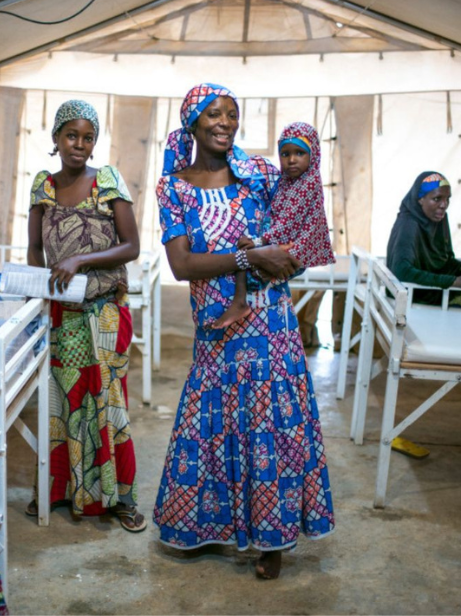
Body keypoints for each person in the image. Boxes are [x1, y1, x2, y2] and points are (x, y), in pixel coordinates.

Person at [152, 83, 335, 580]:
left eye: (232, 114)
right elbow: (182, 264)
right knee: (210, 419)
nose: (224, 123)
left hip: (271, 321)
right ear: (192, 121)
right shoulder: (174, 187)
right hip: (215, 326)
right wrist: (247, 257)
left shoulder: (261, 175)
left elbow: (299, 226)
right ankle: (206, 523)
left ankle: (271, 540)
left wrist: (285, 259)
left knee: (268, 425)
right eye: (213, 114)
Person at [25, 100, 145, 531]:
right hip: (62, 314)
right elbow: (36, 249)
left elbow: (131, 246)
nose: (79, 145)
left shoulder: (107, 180)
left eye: (88, 137)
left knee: (108, 405)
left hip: (105, 312)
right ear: (56, 138)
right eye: (71, 136)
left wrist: (82, 261)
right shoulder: (43, 185)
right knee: (64, 406)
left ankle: (121, 498)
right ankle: (60, 490)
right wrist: (35, 294)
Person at [212, 121, 335, 329]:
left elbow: (287, 224)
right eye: (285, 154)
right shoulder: (288, 182)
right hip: (289, 243)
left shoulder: (307, 185)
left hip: (296, 249)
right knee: (249, 257)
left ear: (313, 155)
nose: (292, 160)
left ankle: (241, 301)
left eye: (299, 153)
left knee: (244, 252)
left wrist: (258, 240)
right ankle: (244, 297)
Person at [386, 171, 461, 305]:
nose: (444, 205)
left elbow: (445, 258)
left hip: (431, 287)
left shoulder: (440, 219)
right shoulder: (408, 224)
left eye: (447, 199)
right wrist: (454, 281)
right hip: (415, 293)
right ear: (420, 199)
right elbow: (402, 272)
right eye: (437, 199)